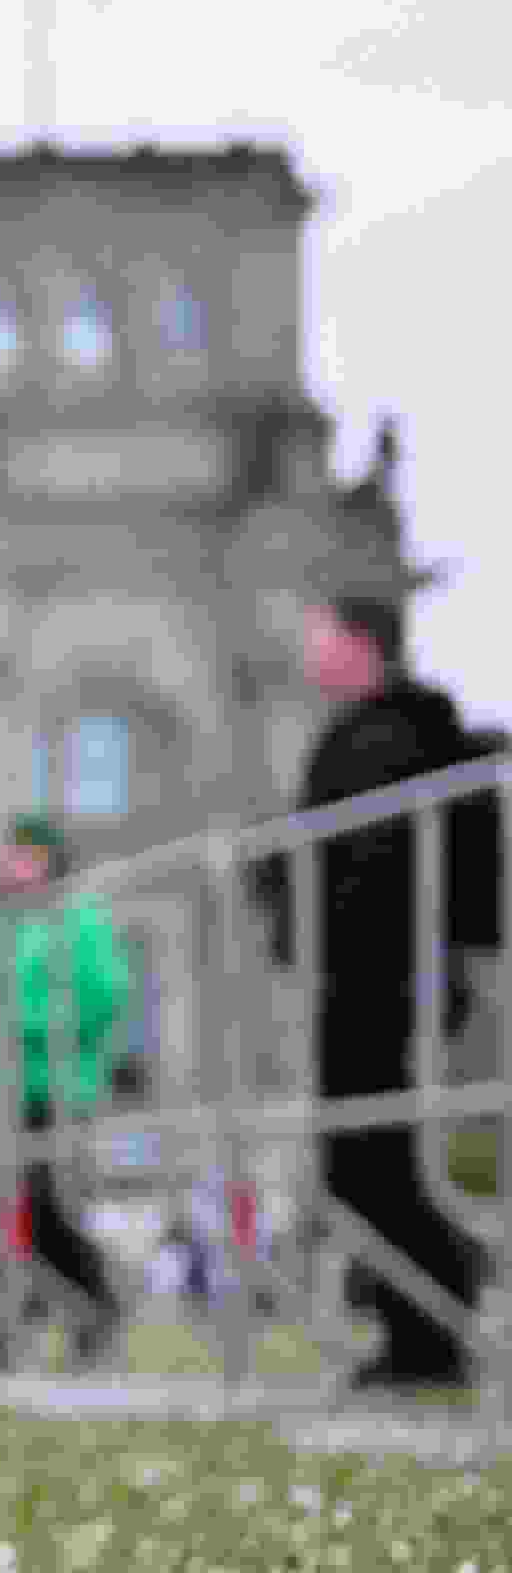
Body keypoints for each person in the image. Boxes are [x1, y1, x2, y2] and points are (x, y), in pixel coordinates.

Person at [247, 591, 499, 1390]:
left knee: (373, 1156)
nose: (310, 654)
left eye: (321, 638)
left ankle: (435, 1333)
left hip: (386, 972)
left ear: (361, 645)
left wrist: (294, 883)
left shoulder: (398, 736)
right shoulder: (369, 735)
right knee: (362, 1159)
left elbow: (370, 858)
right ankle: (421, 1333)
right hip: (362, 971)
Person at [0, 815, 134, 1372]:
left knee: (45, 1204)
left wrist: (23, 1024)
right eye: (9, 854)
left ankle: (92, 1302)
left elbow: (103, 995)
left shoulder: (76, 916)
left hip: (49, 1084)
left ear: (50, 860)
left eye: (25, 855)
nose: (13, 865)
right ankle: (0, 1328)